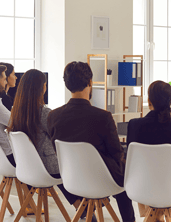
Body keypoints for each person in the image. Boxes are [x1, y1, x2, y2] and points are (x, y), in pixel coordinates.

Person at [47, 61, 135, 222]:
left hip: (72, 180)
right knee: (125, 171)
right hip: (103, 180)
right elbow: (116, 153)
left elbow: (57, 152)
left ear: (67, 84)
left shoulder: (53, 116)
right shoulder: (103, 117)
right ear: (90, 82)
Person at [7, 69, 82, 209]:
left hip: (26, 168)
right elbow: (61, 137)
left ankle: (83, 207)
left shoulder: (15, 112)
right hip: (47, 168)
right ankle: (85, 206)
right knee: (77, 163)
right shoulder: (44, 113)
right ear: (41, 88)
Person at [127, 80, 171, 222]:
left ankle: (157, 217)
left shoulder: (134, 125)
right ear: (170, 101)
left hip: (141, 188)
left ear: (149, 100)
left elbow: (130, 162)